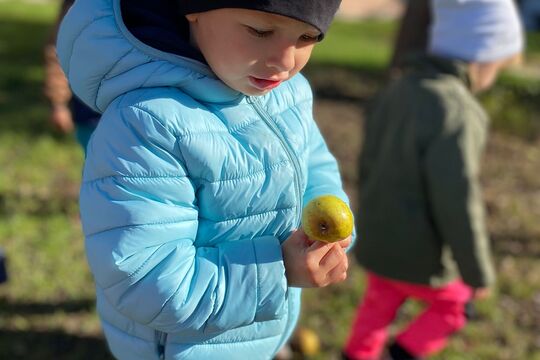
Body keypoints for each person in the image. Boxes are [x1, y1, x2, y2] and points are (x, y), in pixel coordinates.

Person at [56, 1, 353, 359]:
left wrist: (327, 233)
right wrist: (278, 269)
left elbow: (314, 165)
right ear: (193, 8)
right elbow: (149, 281)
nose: (285, 61)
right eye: (260, 31)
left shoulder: (286, 92)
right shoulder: (147, 123)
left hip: (254, 332)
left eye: (307, 37)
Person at [342, 0, 524, 359]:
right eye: (497, 67)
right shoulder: (456, 109)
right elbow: (457, 198)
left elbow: (367, 163)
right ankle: (404, 353)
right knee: (454, 306)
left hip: (379, 244)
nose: (492, 79)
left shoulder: (395, 90)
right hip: (422, 258)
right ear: (480, 57)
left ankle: (355, 355)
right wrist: (476, 274)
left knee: (377, 308)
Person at [44, 0, 100, 151]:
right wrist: (58, 103)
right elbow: (57, 52)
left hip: (138, 105)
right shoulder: (76, 6)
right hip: (88, 111)